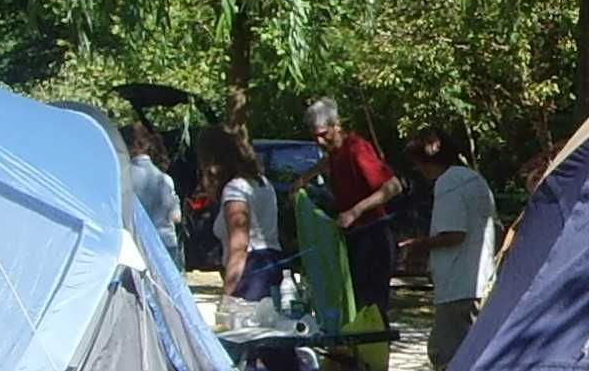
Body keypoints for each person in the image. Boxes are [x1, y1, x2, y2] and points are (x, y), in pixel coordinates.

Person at [294, 97, 402, 319]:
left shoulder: (357, 148)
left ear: (336, 126)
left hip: (374, 236)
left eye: (324, 134)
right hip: (354, 236)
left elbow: (393, 187)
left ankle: (374, 352)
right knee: (352, 305)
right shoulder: (335, 152)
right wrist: (305, 178)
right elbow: (328, 161)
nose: (320, 142)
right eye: (315, 137)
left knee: (370, 307)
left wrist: (355, 211)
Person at [404, 127, 497, 371]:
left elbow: (454, 234)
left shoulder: (448, 183)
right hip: (481, 282)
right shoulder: (474, 179)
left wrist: (418, 246)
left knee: (446, 357)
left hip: (458, 287)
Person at [196, 126, 282, 311]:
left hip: (251, 272)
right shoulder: (262, 183)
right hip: (272, 264)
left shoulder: (235, 190)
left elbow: (239, 247)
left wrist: (227, 297)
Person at [123, 121, 183, 267]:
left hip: (136, 245)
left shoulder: (122, 177)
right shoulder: (164, 179)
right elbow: (176, 217)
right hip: (165, 242)